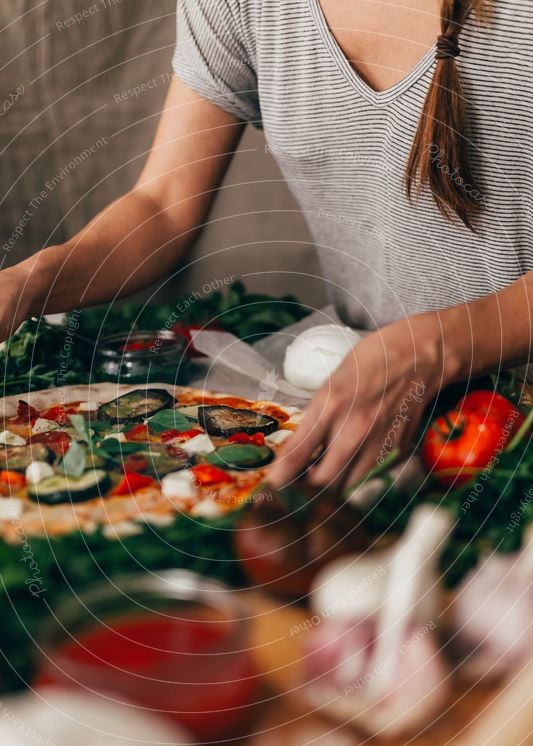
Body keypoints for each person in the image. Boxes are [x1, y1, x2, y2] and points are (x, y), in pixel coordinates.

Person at [2, 0, 532, 488]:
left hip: (514, 423)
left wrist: (439, 344)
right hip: (365, 417)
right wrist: (26, 283)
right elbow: (164, 205)